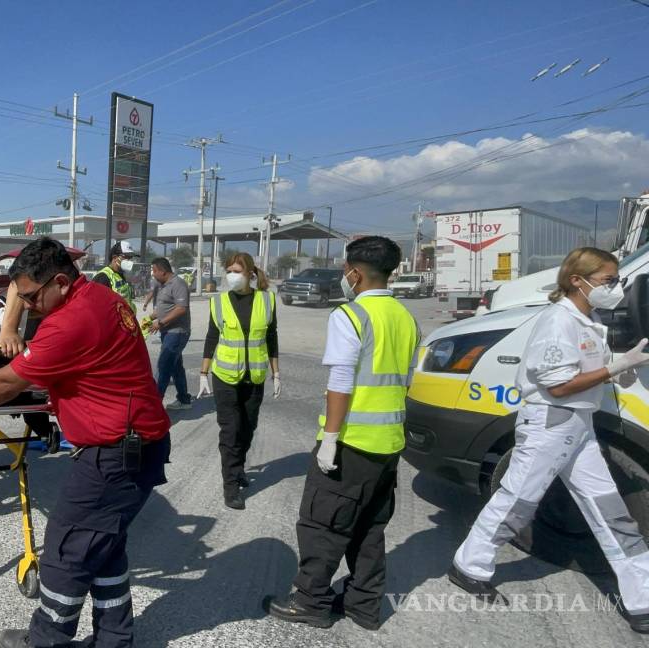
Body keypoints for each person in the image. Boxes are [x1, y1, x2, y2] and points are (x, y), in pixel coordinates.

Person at [0, 238, 170, 648]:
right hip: (138, 444)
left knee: (66, 552)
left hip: (115, 454)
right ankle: (115, 640)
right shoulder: (103, 297)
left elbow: (8, 381)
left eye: (30, 297)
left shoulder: (71, 320)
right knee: (103, 548)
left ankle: (45, 640)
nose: (27, 306)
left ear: (60, 281)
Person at [450, 247, 649, 633]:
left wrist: (618, 373)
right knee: (518, 502)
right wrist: (618, 366)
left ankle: (642, 598)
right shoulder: (558, 322)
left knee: (611, 512)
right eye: (609, 280)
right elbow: (558, 387)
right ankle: (468, 566)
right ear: (578, 280)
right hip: (550, 424)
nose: (616, 287)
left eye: (617, 280)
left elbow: (588, 372)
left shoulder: (589, 319)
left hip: (579, 425)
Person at [269, 236, 418, 631]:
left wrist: (330, 440)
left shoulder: (350, 315)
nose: (343, 277)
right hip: (388, 445)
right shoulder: (406, 317)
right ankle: (364, 605)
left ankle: (310, 601)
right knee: (369, 528)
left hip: (351, 442)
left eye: (344, 271)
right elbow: (404, 381)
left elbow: (341, 382)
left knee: (322, 524)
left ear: (354, 272)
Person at [197, 252, 279, 509]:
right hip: (225, 376)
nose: (232, 276)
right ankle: (230, 486)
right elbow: (212, 337)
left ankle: (239, 467)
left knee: (248, 427)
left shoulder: (267, 300)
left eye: (237, 271)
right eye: (229, 271)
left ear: (251, 274)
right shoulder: (218, 302)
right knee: (231, 431)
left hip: (254, 376)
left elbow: (272, 338)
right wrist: (203, 373)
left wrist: (276, 373)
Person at [147, 257, 193, 410]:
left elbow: (181, 308)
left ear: (162, 271)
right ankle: (184, 400)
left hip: (177, 332)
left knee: (164, 365)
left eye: (154, 271)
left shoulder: (178, 284)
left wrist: (160, 323)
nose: (153, 274)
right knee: (176, 367)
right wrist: (150, 318)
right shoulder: (162, 285)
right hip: (168, 331)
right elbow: (164, 307)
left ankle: (154, 407)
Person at [94, 240, 136, 310]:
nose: (129, 260)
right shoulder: (102, 277)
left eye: (130, 257)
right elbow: (97, 306)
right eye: (126, 257)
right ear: (114, 257)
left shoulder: (122, 274)